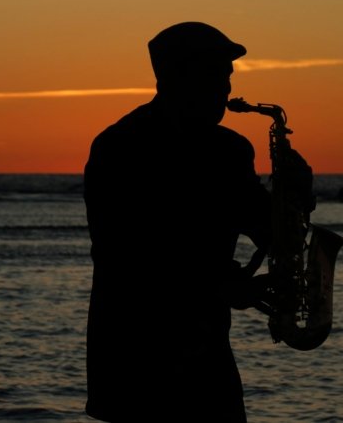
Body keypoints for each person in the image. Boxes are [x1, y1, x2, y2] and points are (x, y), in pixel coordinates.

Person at [83, 22, 271, 422]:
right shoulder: (121, 148)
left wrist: (294, 201)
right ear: (177, 75)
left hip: (206, 352)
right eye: (216, 74)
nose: (225, 87)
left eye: (227, 76)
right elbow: (127, 256)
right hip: (135, 359)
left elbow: (268, 229)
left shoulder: (230, 150)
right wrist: (222, 286)